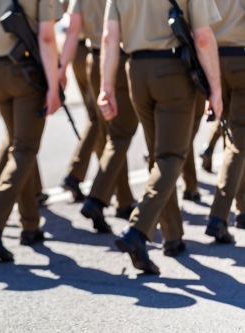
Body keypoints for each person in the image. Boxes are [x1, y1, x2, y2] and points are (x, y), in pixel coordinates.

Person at [100, 0, 222, 274]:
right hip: (172, 70)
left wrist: (106, 86)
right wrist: (215, 89)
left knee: (159, 156)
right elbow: (202, 37)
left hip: (136, 72)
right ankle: (137, 230)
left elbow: (109, 38)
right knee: (171, 156)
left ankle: (172, 236)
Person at [0, 0, 62, 260]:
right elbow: (48, 37)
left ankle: (30, 225)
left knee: (19, 145)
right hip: (27, 73)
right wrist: (54, 85)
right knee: (24, 150)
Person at [60, 0, 138, 233]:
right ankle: (97, 198)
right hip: (119, 57)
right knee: (118, 135)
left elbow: (72, 25)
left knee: (109, 133)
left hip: (91, 56)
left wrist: (61, 67)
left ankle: (123, 200)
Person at [205, 0, 245, 243]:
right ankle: (219, 217)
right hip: (240, 57)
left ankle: (242, 209)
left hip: (213, 58)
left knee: (234, 138)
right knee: (238, 142)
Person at [59, 9, 107, 204]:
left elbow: (62, 10)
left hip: (80, 49)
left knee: (97, 118)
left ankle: (107, 182)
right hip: (95, 49)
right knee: (99, 118)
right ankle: (77, 175)